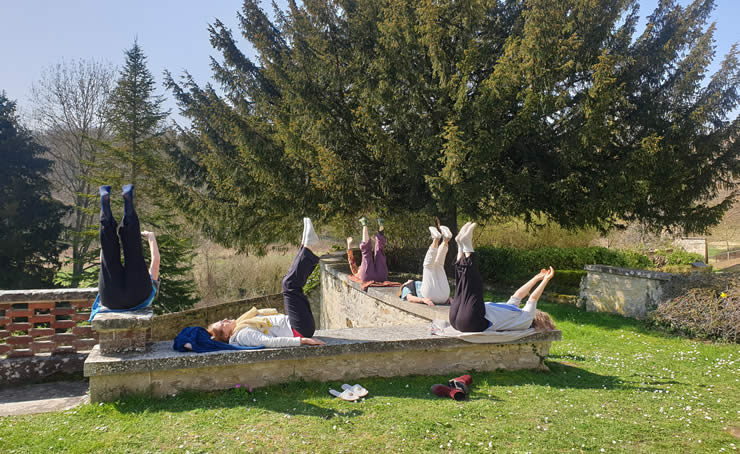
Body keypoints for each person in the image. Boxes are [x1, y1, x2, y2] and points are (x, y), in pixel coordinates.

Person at [207, 218, 327, 348]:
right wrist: (302, 341)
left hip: (295, 325)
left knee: (289, 282)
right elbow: (269, 341)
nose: (225, 320)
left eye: (222, 320)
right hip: (299, 330)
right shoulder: (242, 335)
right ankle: (308, 246)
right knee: (289, 285)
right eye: (222, 324)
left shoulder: (242, 323)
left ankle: (306, 245)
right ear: (226, 335)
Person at [448, 221, 556, 332]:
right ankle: (461, 246)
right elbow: (518, 295)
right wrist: (537, 277)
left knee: (474, 286)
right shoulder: (514, 314)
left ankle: (467, 246)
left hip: (473, 320)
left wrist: (546, 280)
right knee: (461, 286)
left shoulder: (527, 320)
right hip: (458, 320)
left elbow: (532, 298)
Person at [90, 184, 160, 320]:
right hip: (114, 299)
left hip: (135, 295)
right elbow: (105, 258)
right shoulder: (148, 287)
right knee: (109, 256)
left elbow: (156, 261)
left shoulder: (151, 285)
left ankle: (126, 204)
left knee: (134, 253)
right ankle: (106, 214)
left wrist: (151, 238)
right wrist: (151, 237)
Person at [399, 225, 453, 306]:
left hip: (444, 295)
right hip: (431, 296)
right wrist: (422, 300)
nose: (408, 280)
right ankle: (436, 239)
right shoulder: (406, 287)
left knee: (439, 265)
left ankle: (446, 240)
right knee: (428, 266)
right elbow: (409, 297)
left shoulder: (423, 283)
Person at [346, 217, 388, 282]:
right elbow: (352, 262)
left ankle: (375, 225)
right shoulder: (357, 271)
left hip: (376, 277)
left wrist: (349, 246)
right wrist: (349, 245)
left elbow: (352, 262)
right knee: (376, 252)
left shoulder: (356, 272)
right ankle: (366, 224)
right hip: (381, 276)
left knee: (377, 251)